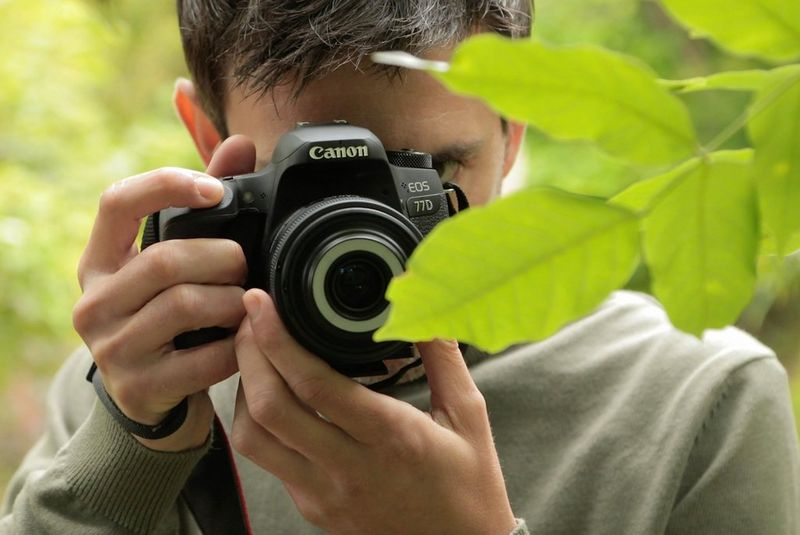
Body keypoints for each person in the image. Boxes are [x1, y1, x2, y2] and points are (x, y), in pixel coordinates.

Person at [2, 1, 799, 533]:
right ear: (210, 141)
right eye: (314, 183)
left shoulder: (696, 402)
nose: (378, 246)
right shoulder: (149, 378)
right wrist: (132, 448)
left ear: (513, 132)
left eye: (431, 176)